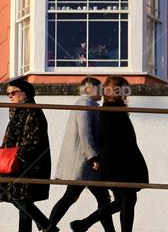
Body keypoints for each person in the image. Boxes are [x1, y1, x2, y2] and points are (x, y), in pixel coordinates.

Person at [71, 76, 148, 232]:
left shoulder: (114, 108)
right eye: (123, 89)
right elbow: (110, 140)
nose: (127, 93)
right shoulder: (110, 110)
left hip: (121, 162)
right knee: (128, 199)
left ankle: (82, 224)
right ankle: (83, 224)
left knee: (120, 202)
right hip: (119, 164)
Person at [48, 77, 114, 232]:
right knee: (82, 197)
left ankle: (48, 227)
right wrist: (93, 157)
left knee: (80, 197)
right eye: (100, 88)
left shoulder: (88, 104)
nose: (103, 91)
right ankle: (47, 227)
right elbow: (85, 132)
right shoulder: (84, 104)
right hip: (85, 163)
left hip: (85, 163)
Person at [0, 79, 53, 232]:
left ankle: (47, 225)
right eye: (8, 93)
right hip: (14, 163)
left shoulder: (32, 111)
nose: (10, 96)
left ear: (25, 93)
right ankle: (46, 225)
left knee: (22, 200)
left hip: (28, 164)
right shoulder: (17, 111)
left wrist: (19, 158)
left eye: (13, 92)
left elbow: (34, 140)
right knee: (20, 200)